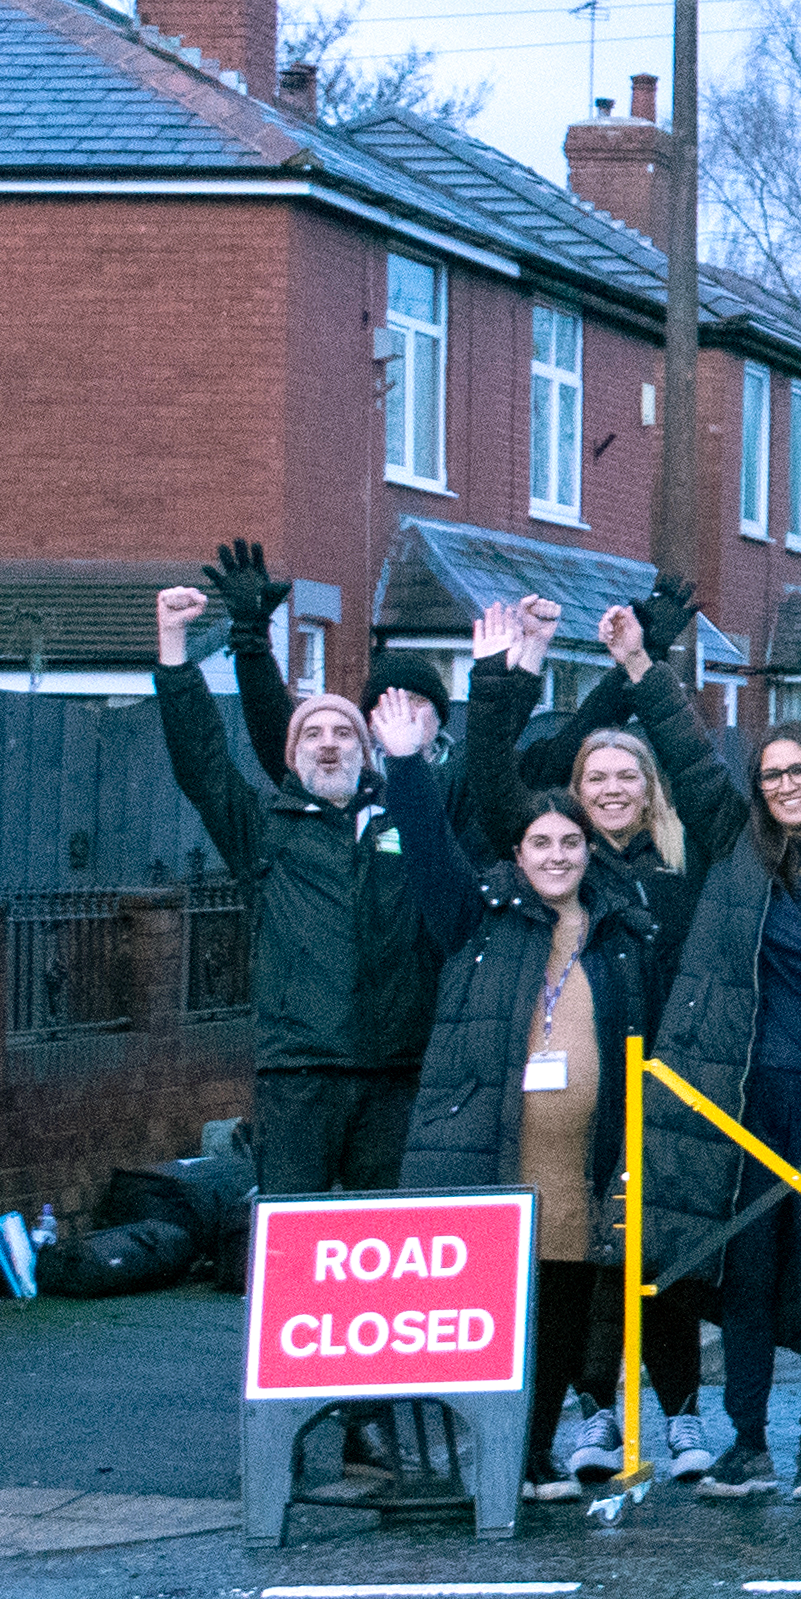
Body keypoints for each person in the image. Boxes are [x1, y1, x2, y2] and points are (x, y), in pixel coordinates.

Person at [154, 581, 445, 1492]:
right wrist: (174, 645)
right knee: (293, 1259)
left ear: (368, 751)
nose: (327, 742)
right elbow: (203, 759)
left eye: (343, 733)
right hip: (299, 1074)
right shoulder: (265, 831)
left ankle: (367, 1423)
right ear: (291, 754)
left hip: (392, 1074)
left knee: (380, 1261)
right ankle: (282, 1416)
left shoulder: (406, 823)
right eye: (310, 733)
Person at [613, 611, 801, 1501]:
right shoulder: (738, 843)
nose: (781, 786)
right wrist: (642, 667)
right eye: (769, 775)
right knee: (749, 1260)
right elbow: (690, 756)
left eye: (799, 770)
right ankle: (749, 1439)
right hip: (739, 1086)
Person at [373, 688, 661, 1503]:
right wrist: (405, 763)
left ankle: (535, 1457)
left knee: (563, 1309)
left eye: (572, 841)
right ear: (519, 852)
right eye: (542, 841)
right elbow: (428, 849)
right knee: (495, 1312)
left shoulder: (621, 934)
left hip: (582, 1160)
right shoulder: (480, 917)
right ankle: (491, 1455)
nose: (559, 854)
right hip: (494, 1146)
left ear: (588, 852)